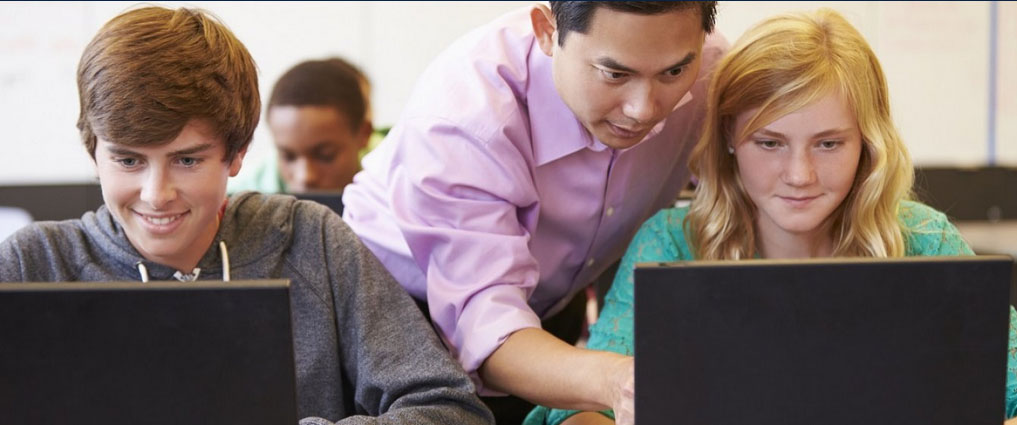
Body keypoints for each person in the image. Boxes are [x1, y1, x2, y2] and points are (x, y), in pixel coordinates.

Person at [0, 6, 492, 425]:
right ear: (93, 153)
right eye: (128, 160)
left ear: (237, 154)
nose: (157, 194)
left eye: (187, 160)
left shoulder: (309, 240)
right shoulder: (31, 265)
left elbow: (449, 407)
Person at [526, 8, 1017, 424]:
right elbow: (583, 409)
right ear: (729, 141)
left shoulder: (923, 241)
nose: (800, 175)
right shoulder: (673, 243)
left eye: (829, 143)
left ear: (867, 144)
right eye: (770, 143)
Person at [341, 1, 726, 423]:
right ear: (547, 31)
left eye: (672, 72)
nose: (644, 109)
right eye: (615, 74)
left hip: (554, 298)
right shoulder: (464, 118)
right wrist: (619, 381)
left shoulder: (713, 70)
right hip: (405, 315)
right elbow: (488, 328)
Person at [228, 58, 386, 194]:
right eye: (288, 157)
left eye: (325, 156)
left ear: (364, 134)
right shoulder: (233, 201)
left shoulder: (397, 182)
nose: (305, 177)